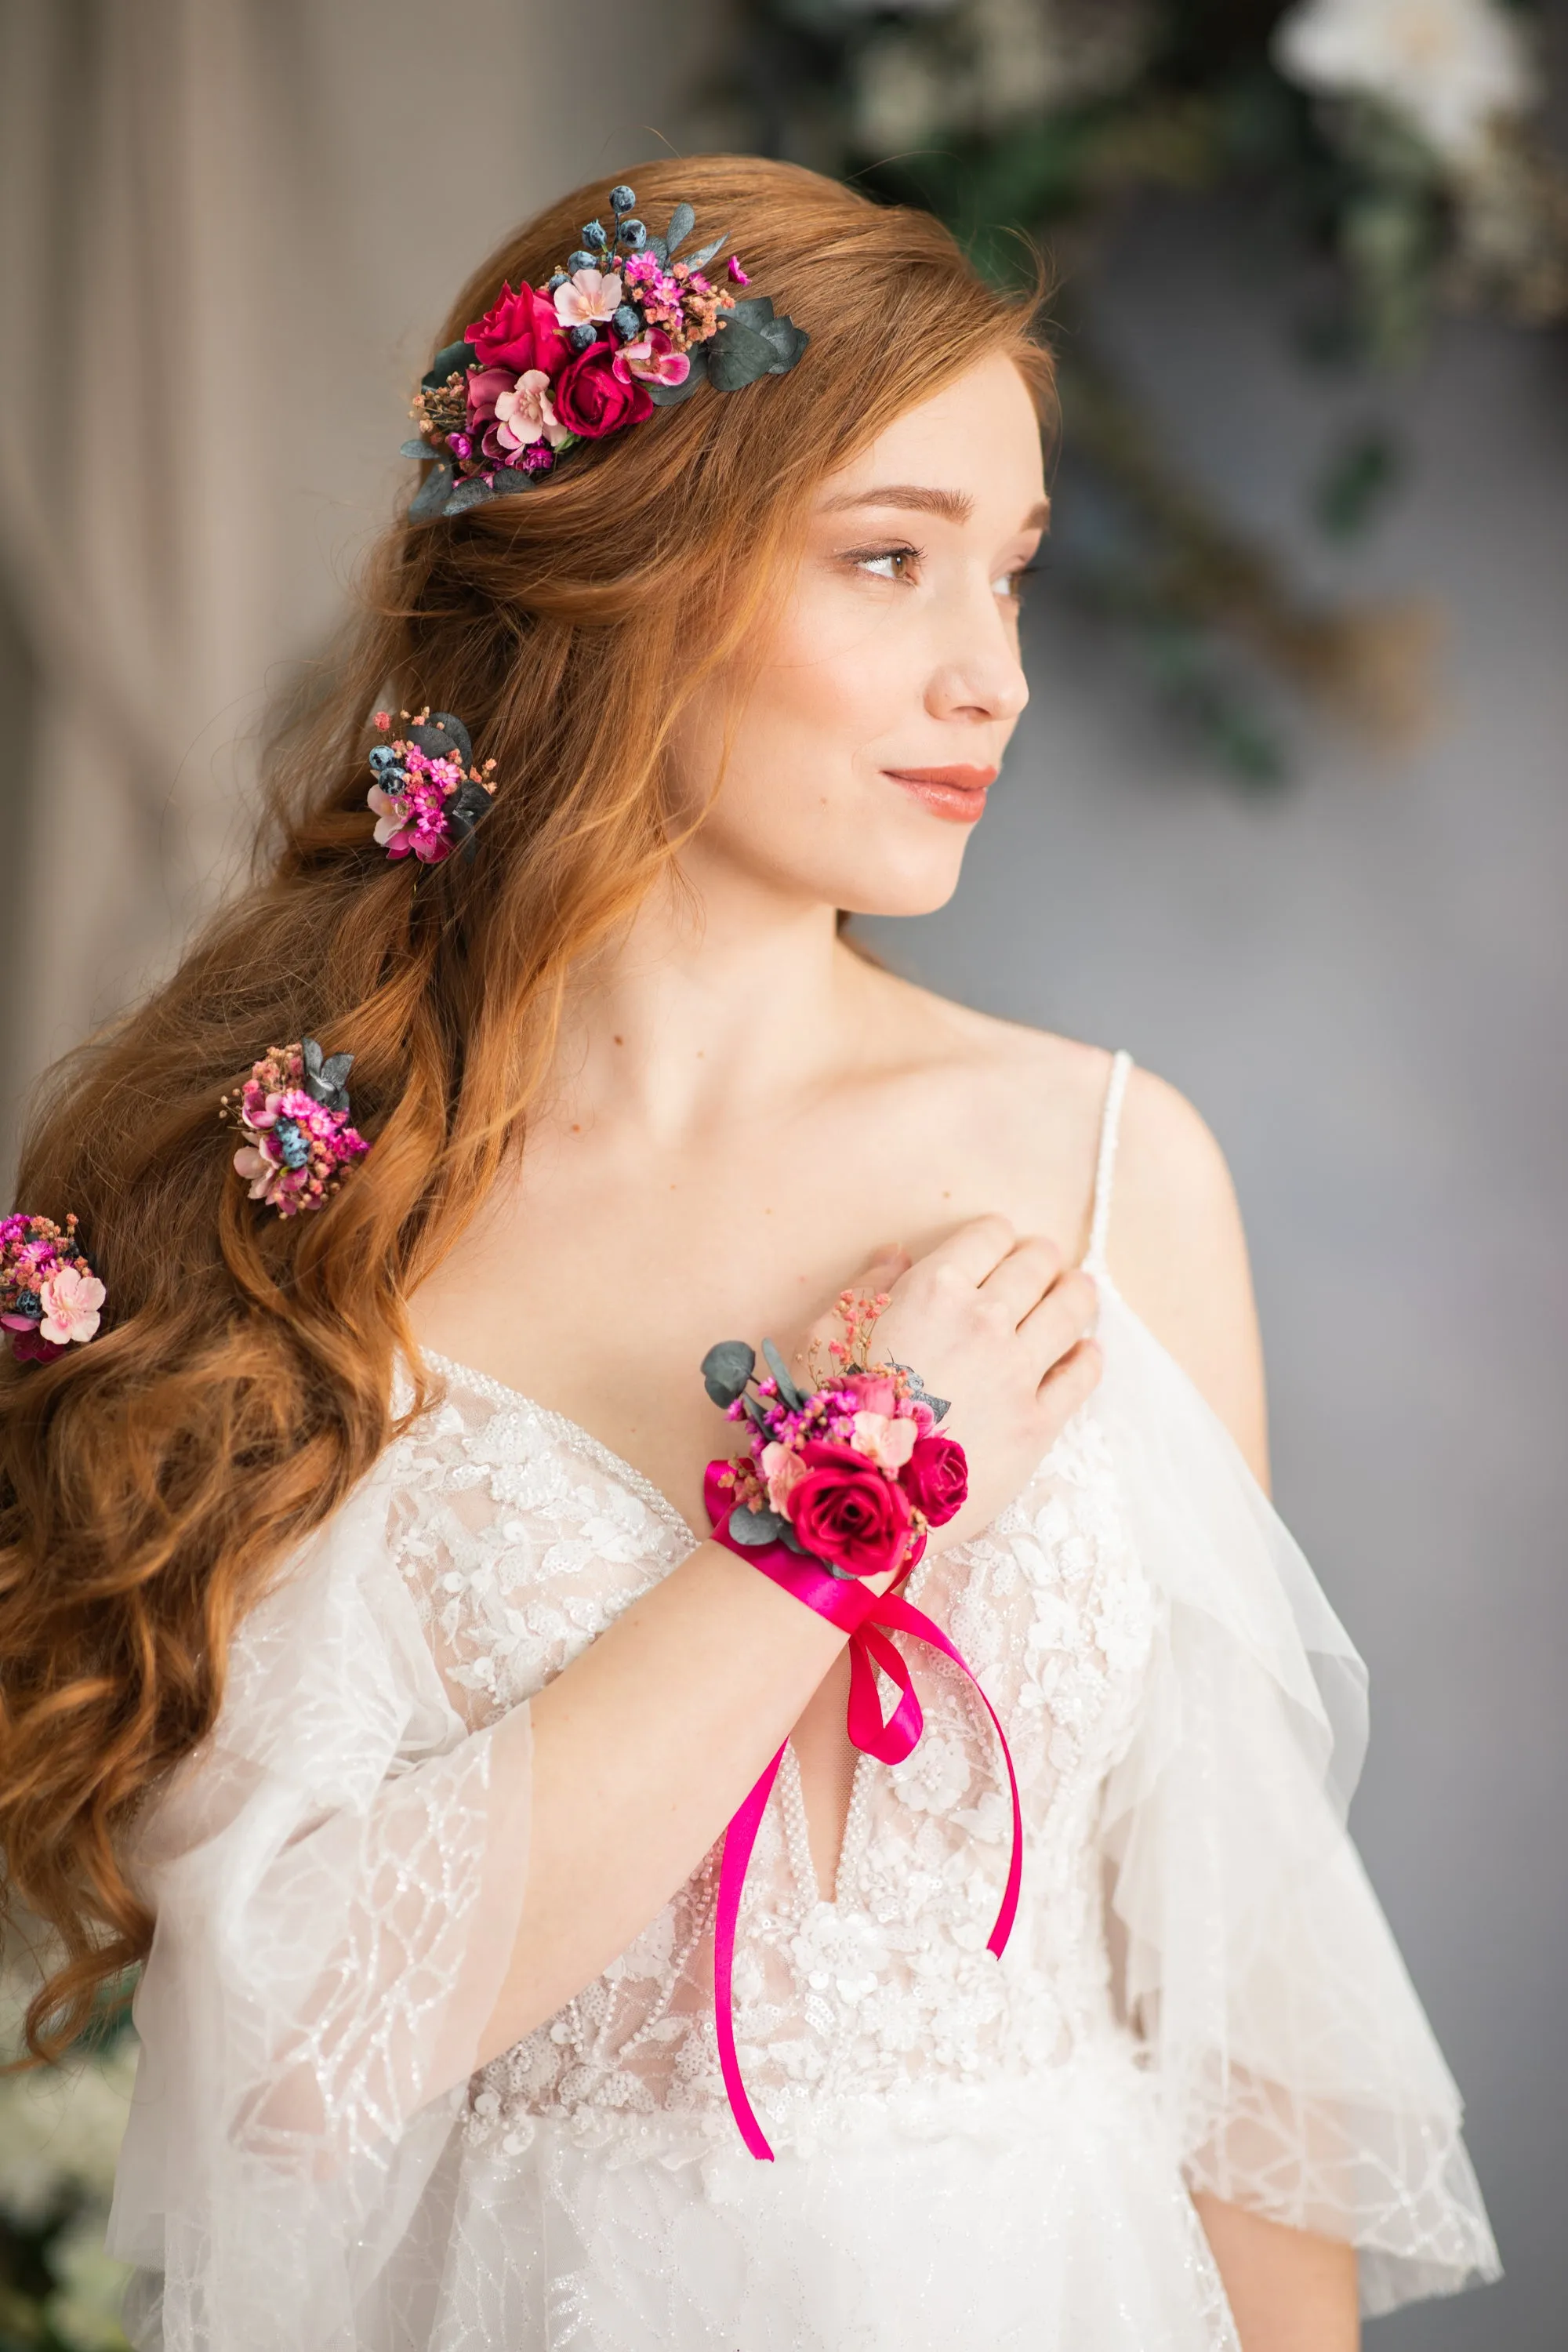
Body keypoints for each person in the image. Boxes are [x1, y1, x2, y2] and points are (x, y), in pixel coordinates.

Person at [0, 156, 1497, 2352]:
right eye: (890, 562)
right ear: (623, 572)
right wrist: (822, 1531)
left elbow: (1231, 1995)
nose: (986, 677)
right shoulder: (300, 1206)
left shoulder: (1101, 1170)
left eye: (1012, 578)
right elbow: (315, 2037)